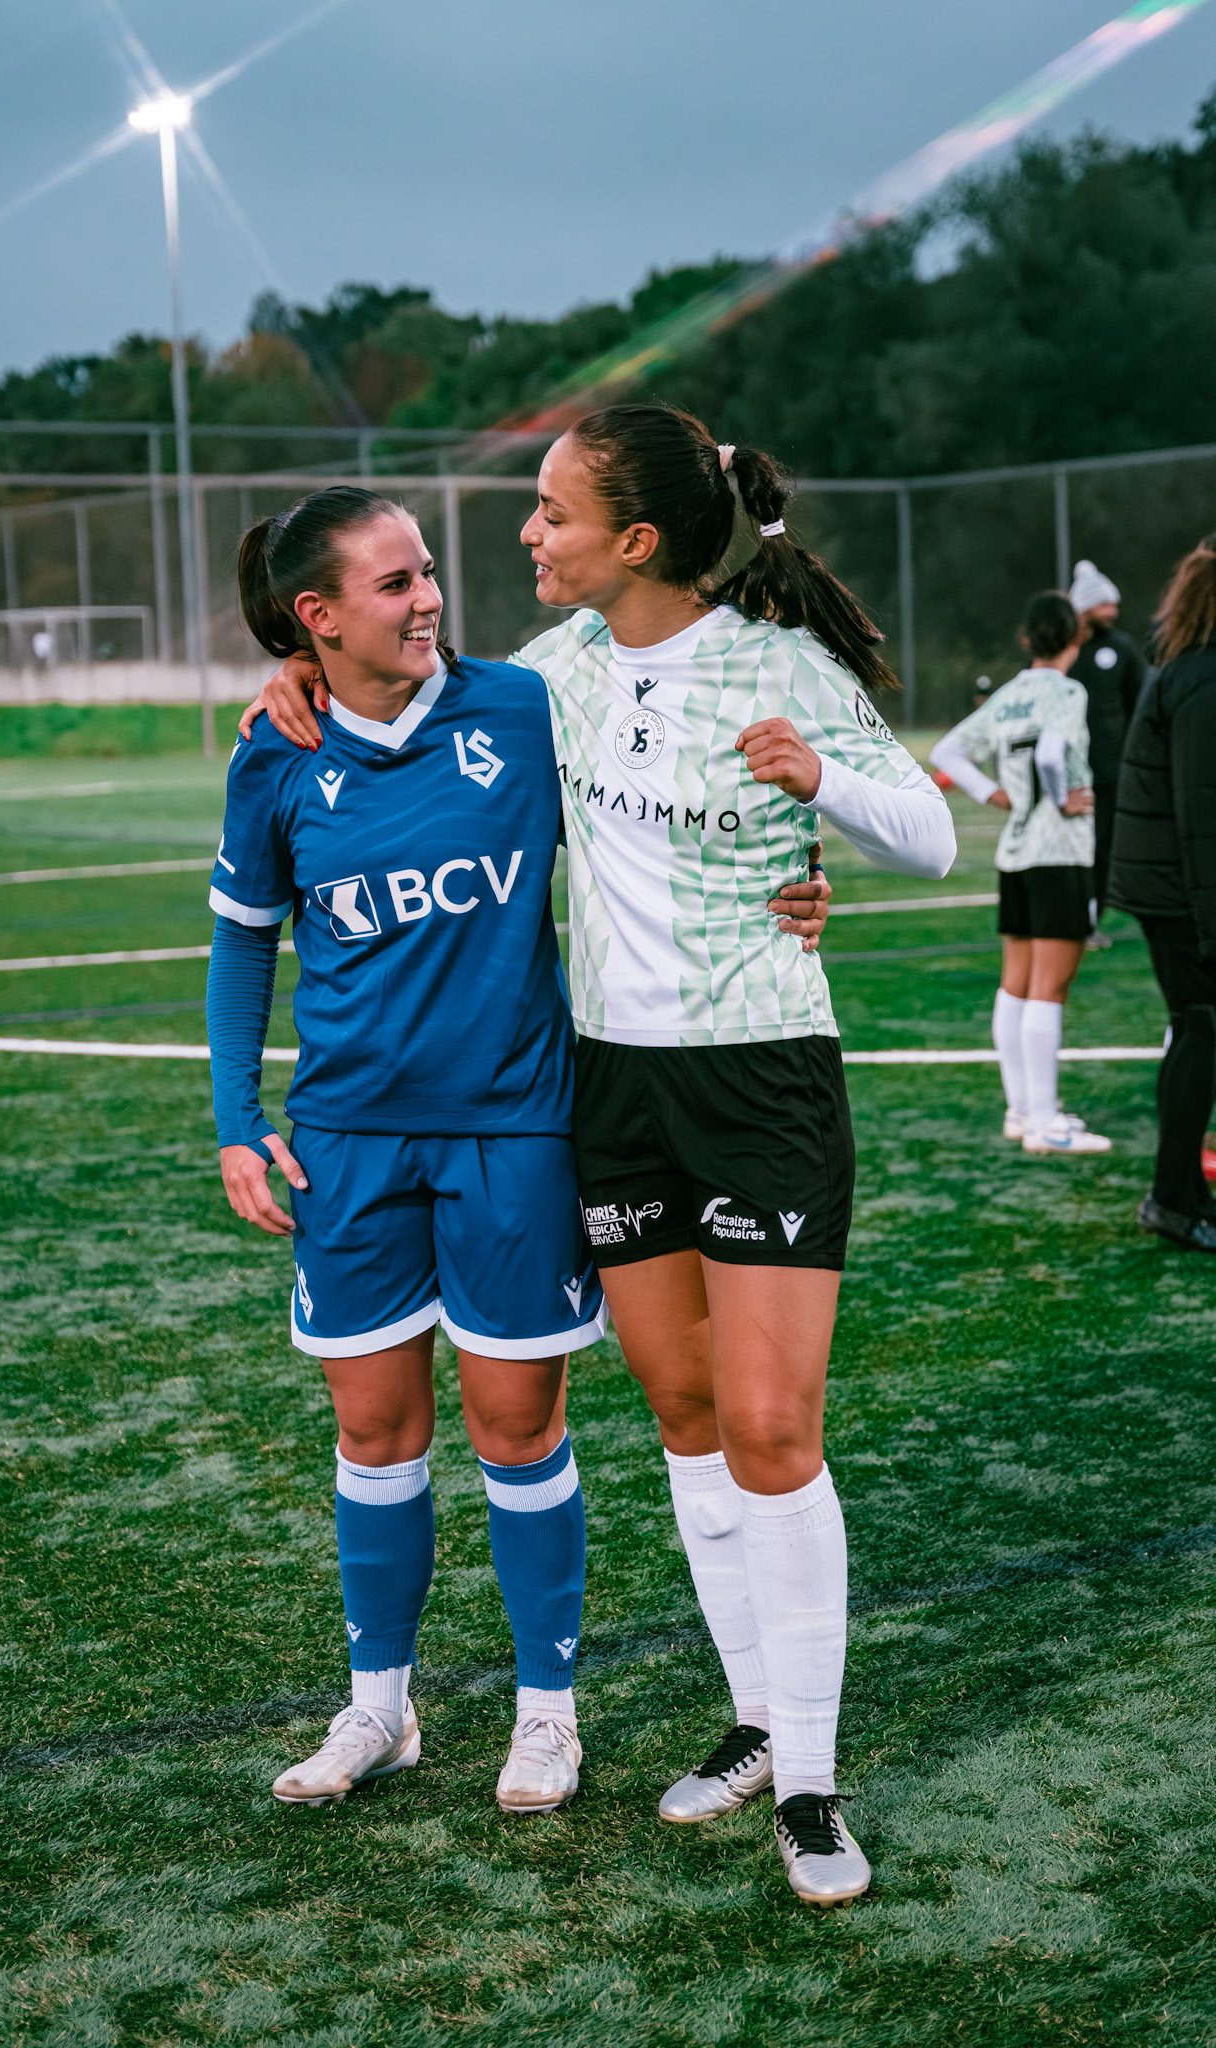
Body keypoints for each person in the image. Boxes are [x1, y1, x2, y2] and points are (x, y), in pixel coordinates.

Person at [244, 403, 957, 1906]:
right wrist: (294, 676)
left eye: (551, 512)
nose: (523, 536)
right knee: (688, 1418)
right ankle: (756, 1722)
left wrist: (820, 795)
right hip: (609, 1091)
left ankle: (814, 1785)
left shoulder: (778, 666)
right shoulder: (544, 682)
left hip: (760, 1076)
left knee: (772, 1427)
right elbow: (409, 696)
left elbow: (934, 836)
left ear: (635, 539)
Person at [209, 485, 610, 1818]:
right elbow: (241, 938)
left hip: (513, 1130)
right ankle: (379, 1708)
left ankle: (546, 1713)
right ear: (315, 616)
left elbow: (657, 783)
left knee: (515, 1424)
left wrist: (789, 871)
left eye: (426, 570)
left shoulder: (520, 705)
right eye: (394, 583)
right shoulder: (274, 753)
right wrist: (234, 1121)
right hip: (348, 1141)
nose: (429, 596)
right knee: (374, 1427)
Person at [931, 593, 1109, 1157]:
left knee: (1016, 983)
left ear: (1028, 638)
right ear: (1075, 636)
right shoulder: (1068, 691)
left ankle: (1020, 1111)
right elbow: (1054, 752)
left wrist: (995, 794)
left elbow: (948, 750)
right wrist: (1061, 800)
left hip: (1017, 853)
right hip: (1058, 852)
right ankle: (1044, 1122)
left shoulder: (1007, 697)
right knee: (1049, 988)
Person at [1108, 534, 1216, 1251]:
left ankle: (1179, 1191)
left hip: (1171, 888)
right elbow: (1201, 811)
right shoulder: (1201, 679)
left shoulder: (1187, 667)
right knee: (1200, 1028)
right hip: (1181, 894)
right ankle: (1172, 1198)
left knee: (1198, 1029)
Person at [1068, 560, 1145, 945]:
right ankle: (1066, 918)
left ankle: (1090, 920)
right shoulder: (1062, 646)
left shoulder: (1122, 648)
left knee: (1103, 846)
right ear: (1083, 609)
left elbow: (1141, 706)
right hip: (1067, 774)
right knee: (1069, 847)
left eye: (1113, 606)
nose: (1111, 613)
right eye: (1103, 606)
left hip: (1111, 772)